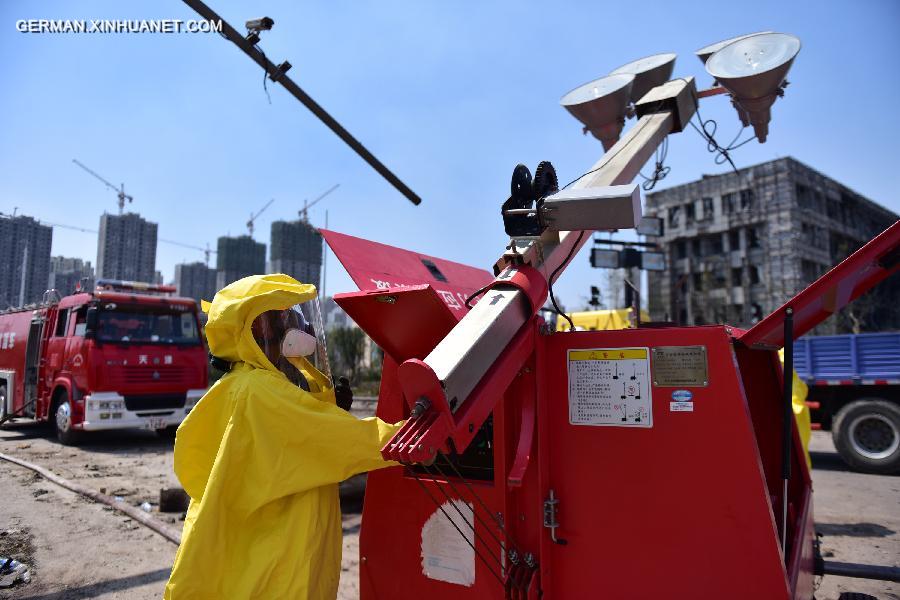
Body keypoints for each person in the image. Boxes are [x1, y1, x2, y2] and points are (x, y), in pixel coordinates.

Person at [164, 274, 402, 599]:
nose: (292, 327)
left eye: (290, 316)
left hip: (265, 539)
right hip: (278, 550)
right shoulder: (261, 392)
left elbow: (295, 427)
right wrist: (414, 438)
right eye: (278, 319)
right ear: (250, 333)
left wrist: (327, 404)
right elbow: (331, 438)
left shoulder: (244, 383)